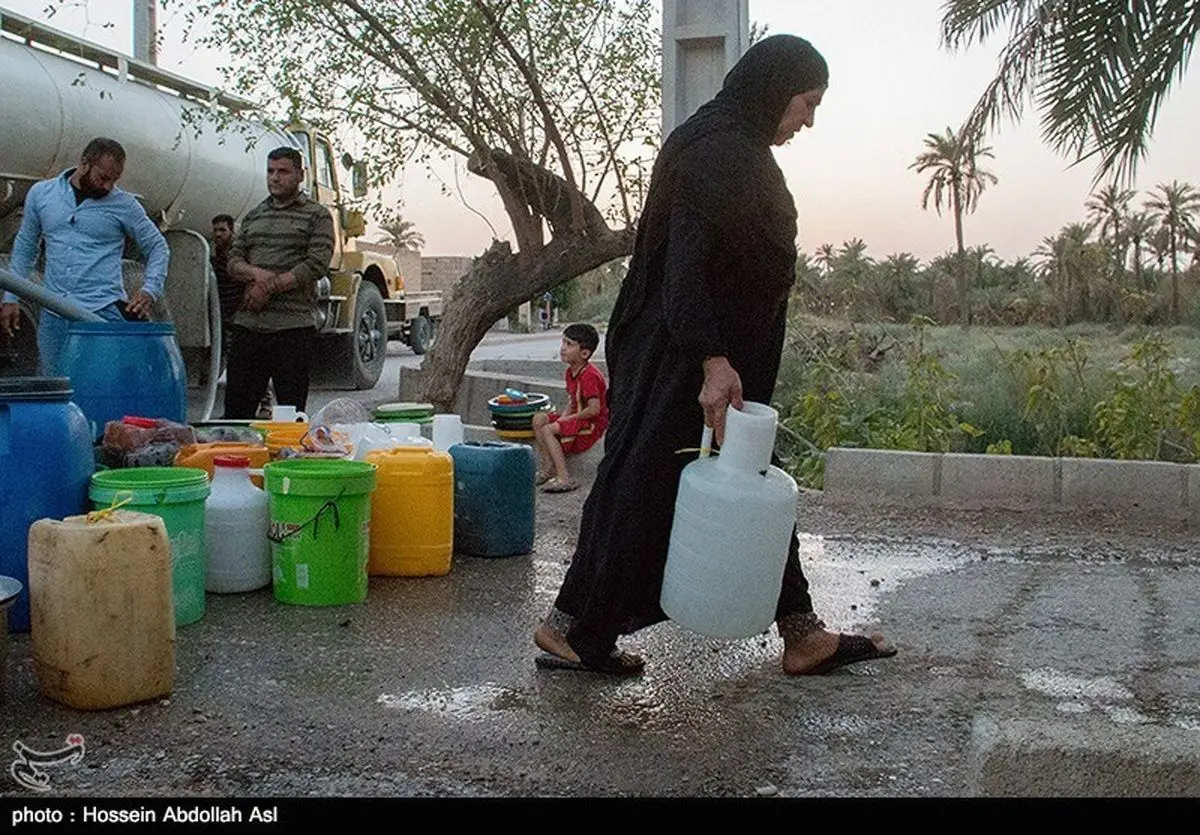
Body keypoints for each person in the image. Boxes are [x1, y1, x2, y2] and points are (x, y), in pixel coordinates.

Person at [533, 35, 897, 677]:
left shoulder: (715, 141)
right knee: (654, 482)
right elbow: (685, 268)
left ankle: (798, 631)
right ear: (773, 89)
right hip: (690, 360)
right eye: (806, 103)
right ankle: (578, 630)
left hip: (690, 354)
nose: (808, 120)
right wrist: (711, 360)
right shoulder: (722, 152)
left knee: (730, 476)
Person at [0, 137, 168, 374]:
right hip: (54, 309)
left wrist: (150, 288)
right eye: (103, 178)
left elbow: (157, 246)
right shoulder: (42, 194)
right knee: (53, 383)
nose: (108, 186)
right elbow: (26, 247)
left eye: (114, 180)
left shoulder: (124, 205)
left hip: (101, 310)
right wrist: (11, 298)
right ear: (84, 164)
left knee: (102, 382)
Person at [222, 147, 334, 419]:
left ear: (299, 175)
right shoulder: (254, 216)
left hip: (292, 329)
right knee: (238, 414)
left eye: (282, 171)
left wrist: (268, 288)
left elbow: (316, 264)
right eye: (270, 171)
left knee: (290, 416)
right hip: (249, 327)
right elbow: (233, 261)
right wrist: (257, 276)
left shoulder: (317, 216)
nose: (275, 178)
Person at [532, 322, 610, 494]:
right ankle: (548, 468)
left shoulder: (589, 375)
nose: (563, 348)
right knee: (539, 419)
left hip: (590, 423)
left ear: (584, 353)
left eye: (569, 344)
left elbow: (594, 410)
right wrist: (564, 418)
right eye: (563, 343)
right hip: (578, 416)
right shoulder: (570, 372)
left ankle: (564, 477)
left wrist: (565, 421)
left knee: (548, 430)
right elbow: (572, 402)